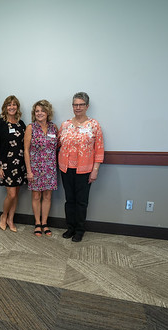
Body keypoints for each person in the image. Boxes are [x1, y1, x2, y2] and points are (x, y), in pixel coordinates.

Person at [58, 91, 104, 242]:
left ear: (87, 106)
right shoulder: (65, 125)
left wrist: (95, 170)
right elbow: (58, 144)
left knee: (81, 201)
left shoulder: (94, 125)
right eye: (75, 105)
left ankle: (79, 229)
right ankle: (70, 227)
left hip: (85, 170)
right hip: (66, 168)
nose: (77, 107)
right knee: (69, 200)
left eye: (81, 104)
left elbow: (99, 149)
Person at [0, 95, 26, 232]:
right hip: (6, 164)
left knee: (16, 194)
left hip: (19, 164)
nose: (12, 107)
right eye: (9, 105)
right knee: (11, 194)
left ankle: (11, 219)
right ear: (5, 107)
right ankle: (3, 216)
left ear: (17, 107)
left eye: (14, 104)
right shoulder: (0, 124)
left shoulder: (20, 124)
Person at [24, 100, 58, 237]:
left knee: (48, 196)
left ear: (48, 112)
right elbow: (26, 150)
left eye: (42, 111)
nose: (39, 113)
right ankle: (37, 223)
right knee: (36, 196)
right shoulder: (31, 127)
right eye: (37, 111)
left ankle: (45, 223)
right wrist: (29, 171)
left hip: (50, 167)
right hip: (35, 168)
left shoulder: (53, 127)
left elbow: (57, 147)